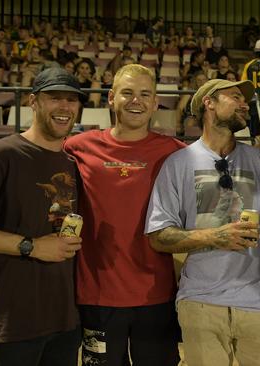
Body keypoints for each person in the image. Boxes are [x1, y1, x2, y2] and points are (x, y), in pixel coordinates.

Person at [144, 78, 260, 365]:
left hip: (258, 300)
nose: (245, 104)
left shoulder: (258, 161)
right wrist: (215, 237)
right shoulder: (178, 163)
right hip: (201, 301)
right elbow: (158, 236)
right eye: (235, 96)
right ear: (208, 102)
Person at [63, 64, 185, 366]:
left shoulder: (176, 152)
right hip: (97, 296)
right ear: (110, 98)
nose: (136, 101)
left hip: (155, 296)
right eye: (127, 93)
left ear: (156, 102)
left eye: (145, 94)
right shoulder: (78, 147)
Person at [0, 67, 84, 365]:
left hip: (64, 318)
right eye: (54, 98)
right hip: (14, 319)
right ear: (33, 101)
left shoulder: (72, 164)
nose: (65, 107)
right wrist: (31, 246)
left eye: (71, 100)